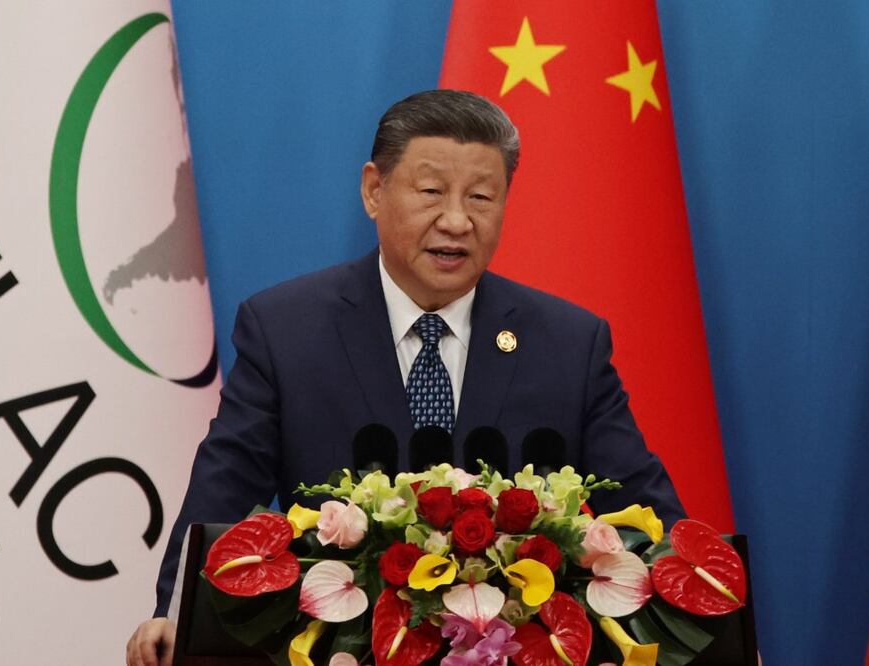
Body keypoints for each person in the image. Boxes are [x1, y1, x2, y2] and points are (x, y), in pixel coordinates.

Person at [125, 89, 685, 666]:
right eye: (431, 192)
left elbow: (642, 503)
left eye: (482, 197)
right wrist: (174, 613)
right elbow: (226, 488)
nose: (457, 220)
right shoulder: (285, 330)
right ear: (374, 190)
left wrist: (716, 626)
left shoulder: (567, 343)